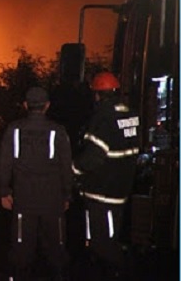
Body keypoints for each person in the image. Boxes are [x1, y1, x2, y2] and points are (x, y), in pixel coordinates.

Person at [0, 87, 73, 281]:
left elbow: (4, 162)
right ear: (47, 106)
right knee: (57, 250)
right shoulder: (58, 131)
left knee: (21, 250)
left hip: (23, 200)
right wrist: (67, 195)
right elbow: (66, 166)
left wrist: (4, 191)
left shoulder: (14, 130)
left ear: (25, 105)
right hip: (52, 201)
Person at [72, 72, 139, 280]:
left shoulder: (103, 117)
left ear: (97, 95)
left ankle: (122, 272)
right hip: (121, 188)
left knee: (102, 243)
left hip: (102, 192)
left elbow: (93, 158)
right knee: (107, 239)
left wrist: (73, 168)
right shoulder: (129, 114)